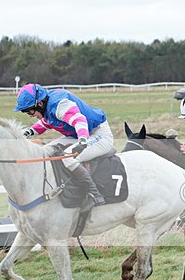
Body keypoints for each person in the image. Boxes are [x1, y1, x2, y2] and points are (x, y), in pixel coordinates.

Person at [15, 83, 114, 213]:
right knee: (47, 150)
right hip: (79, 134)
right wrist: (29, 132)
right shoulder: (47, 107)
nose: (29, 115)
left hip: (98, 134)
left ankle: (95, 194)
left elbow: (79, 120)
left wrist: (82, 141)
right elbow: (47, 122)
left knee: (68, 157)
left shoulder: (60, 105)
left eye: (29, 110)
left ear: (39, 104)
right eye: (25, 111)